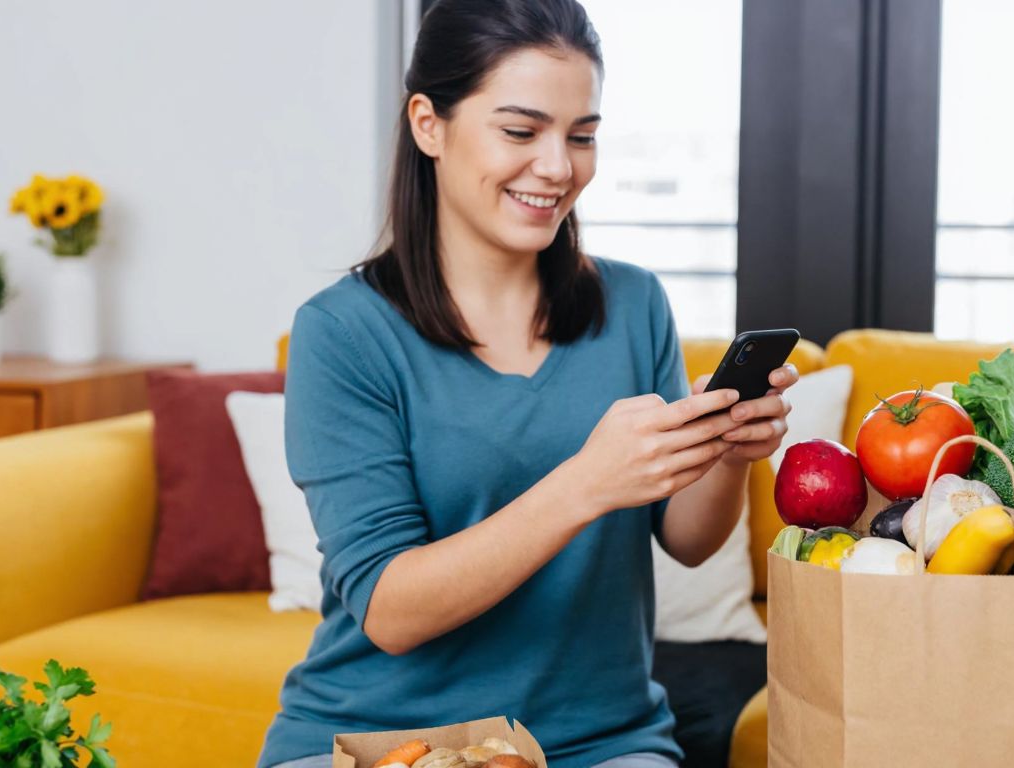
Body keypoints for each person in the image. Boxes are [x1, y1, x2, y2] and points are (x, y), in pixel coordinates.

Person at [259, 2, 796, 767]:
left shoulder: (635, 303)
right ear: (428, 124)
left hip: (600, 741)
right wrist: (587, 482)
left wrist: (729, 453)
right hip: (384, 743)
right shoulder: (342, 334)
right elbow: (390, 611)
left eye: (582, 136)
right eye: (521, 131)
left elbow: (687, 540)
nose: (558, 167)